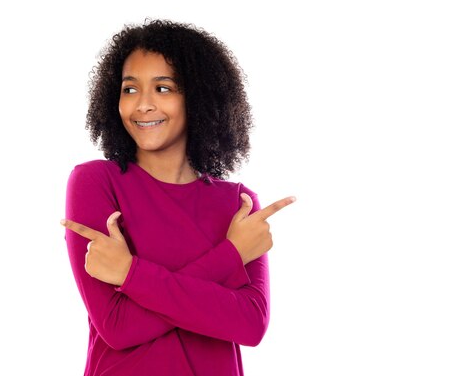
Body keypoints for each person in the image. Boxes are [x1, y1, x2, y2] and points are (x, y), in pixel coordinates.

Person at [60, 19, 296, 376]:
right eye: (130, 89)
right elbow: (119, 327)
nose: (142, 105)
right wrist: (231, 255)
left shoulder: (238, 204)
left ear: (197, 96)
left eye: (163, 88)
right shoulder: (96, 182)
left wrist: (130, 274)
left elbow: (250, 325)